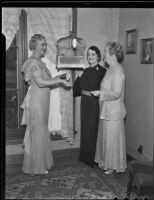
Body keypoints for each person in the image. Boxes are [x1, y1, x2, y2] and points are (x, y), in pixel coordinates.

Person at [21, 34, 71, 175]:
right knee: (38, 130)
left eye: (45, 44)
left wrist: (60, 77)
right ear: (34, 46)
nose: (45, 47)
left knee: (41, 128)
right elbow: (41, 82)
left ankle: (40, 163)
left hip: (43, 99)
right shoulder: (33, 62)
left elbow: (47, 80)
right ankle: (37, 166)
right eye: (42, 44)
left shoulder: (39, 62)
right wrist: (60, 82)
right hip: (37, 99)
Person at [91, 42, 127, 174]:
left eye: (105, 51)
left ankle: (112, 165)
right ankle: (107, 162)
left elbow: (116, 93)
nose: (103, 54)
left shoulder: (117, 71)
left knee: (111, 139)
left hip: (114, 111)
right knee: (107, 138)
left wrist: (100, 93)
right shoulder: (111, 69)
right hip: (108, 109)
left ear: (112, 53)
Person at [73, 46, 106, 168]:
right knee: (85, 128)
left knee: (92, 130)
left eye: (93, 54)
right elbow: (76, 90)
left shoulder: (103, 71)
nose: (90, 57)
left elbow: (105, 90)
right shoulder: (85, 71)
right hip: (85, 102)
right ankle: (84, 156)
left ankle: (93, 159)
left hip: (94, 103)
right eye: (88, 55)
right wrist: (79, 76)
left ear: (98, 56)